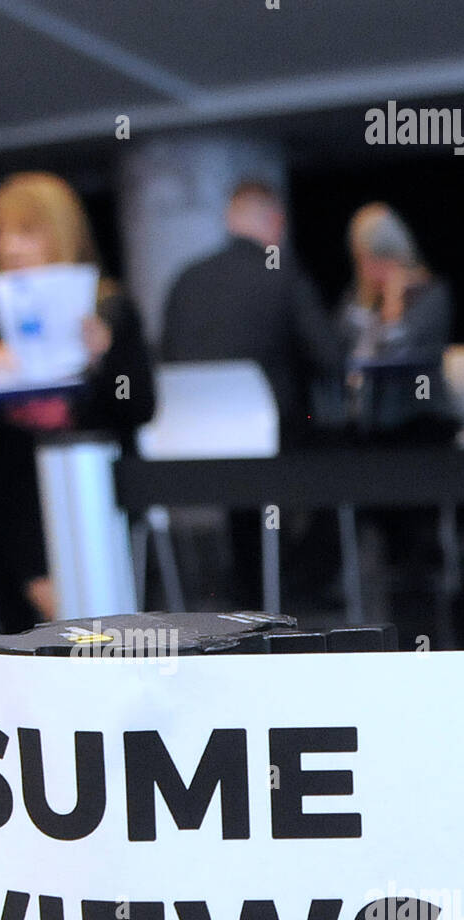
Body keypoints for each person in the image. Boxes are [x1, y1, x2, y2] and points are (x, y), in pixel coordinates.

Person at [0, 172, 154, 633]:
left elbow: (139, 407)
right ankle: (66, 614)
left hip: (99, 469)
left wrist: (105, 357)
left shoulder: (111, 309)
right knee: (18, 461)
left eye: (26, 232)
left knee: (50, 459)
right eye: (2, 232)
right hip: (15, 476)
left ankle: (63, 615)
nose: (10, 246)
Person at [160, 180, 341, 608]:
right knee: (340, 458)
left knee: (249, 498)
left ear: (229, 219)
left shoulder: (185, 279)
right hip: (268, 449)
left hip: (182, 452)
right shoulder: (281, 271)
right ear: (276, 222)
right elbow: (329, 357)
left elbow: (168, 361)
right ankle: (296, 587)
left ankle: (254, 589)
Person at [336, 202, 455, 440]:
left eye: (380, 260)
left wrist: (393, 308)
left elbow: (398, 350)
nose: (373, 271)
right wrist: (366, 306)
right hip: (368, 421)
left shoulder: (431, 295)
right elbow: (340, 347)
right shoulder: (357, 300)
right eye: (366, 261)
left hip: (419, 416)